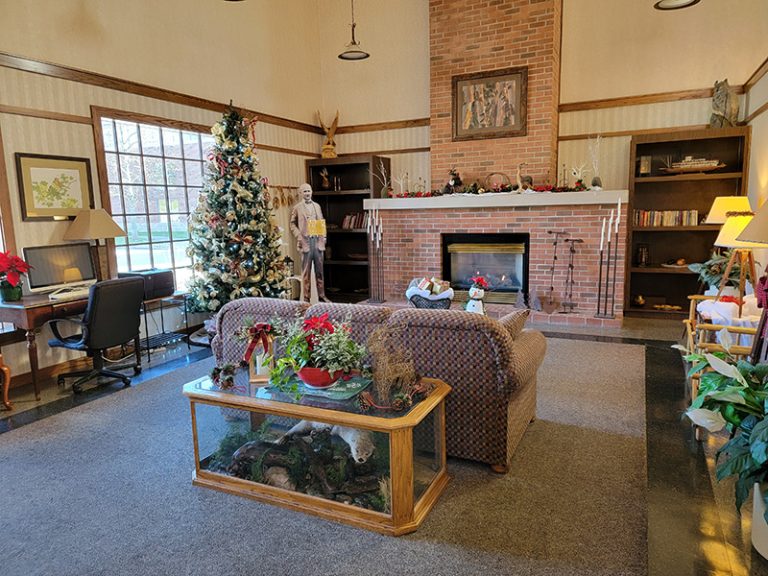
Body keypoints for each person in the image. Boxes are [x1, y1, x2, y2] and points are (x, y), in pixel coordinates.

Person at [290, 183, 330, 302]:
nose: (307, 193)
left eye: (309, 191)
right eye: (305, 191)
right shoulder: (297, 207)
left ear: (312, 192)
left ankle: (322, 296)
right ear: (301, 193)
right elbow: (292, 223)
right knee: (306, 273)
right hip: (305, 242)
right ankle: (306, 299)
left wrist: (324, 236)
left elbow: (321, 221)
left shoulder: (317, 206)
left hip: (317, 241)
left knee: (320, 271)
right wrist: (299, 236)